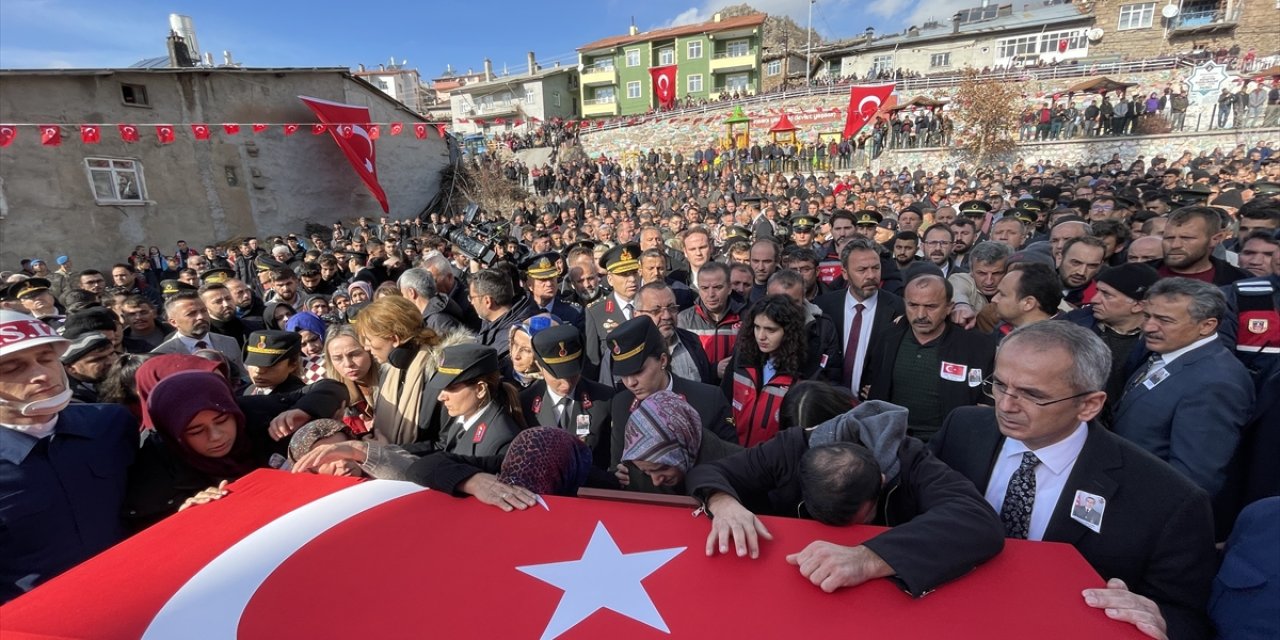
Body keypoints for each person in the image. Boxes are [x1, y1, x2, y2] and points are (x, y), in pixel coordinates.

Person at [929, 321, 1217, 640]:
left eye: (1032, 395)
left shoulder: (1168, 500)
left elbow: (1186, 618)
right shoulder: (962, 429)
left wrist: (1154, 619)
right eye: (998, 385)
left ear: (1089, 404)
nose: (1006, 405)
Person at [686, 398, 1005, 597]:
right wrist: (722, 502)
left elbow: (978, 520)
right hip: (797, 585)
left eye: (863, 520)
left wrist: (867, 557)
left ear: (881, 482)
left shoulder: (912, 461)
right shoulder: (788, 449)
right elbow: (710, 471)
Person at [0, 311, 136, 603]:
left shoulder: (111, 424)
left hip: (136, 596)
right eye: (12, 368)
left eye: (46, 359)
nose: (41, 374)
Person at [1112, 278, 1254, 497]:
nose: (1148, 327)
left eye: (1165, 320)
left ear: (1207, 325)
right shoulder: (1160, 351)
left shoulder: (1217, 383)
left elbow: (1194, 477)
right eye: (1148, 316)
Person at [124, 371, 273, 530]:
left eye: (222, 420)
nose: (215, 436)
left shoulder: (268, 431)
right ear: (173, 435)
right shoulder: (154, 489)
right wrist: (184, 519)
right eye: (196, 431)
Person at [865, 274, 996, 442]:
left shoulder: (977, 346)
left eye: (931, 306)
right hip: (892, 440)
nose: (920, 314)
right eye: (913, 305)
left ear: (949, 307)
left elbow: (986, 401)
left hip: (949, 445)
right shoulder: (887, 337)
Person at [605, 316, 737, 466]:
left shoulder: (709, 399)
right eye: (624, 374)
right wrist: (621, 474)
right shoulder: (621, 404)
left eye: (638, 371)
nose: (631, 382)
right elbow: (617, 463)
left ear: (662, 360)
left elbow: (731, 463)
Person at [354, 296, 465, 447]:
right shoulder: (389, 369)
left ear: (394, 339)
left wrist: (392, 451)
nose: (366, 347)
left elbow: (448, 443)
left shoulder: (443, 374)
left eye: (369, 339)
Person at [815, 237, 905, 399]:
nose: (871, 275)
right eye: (862, 270)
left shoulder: (898, 308)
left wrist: (883, 388)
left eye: (876, 268)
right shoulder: (824, 306)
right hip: (827, 403)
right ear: (845, 273)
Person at [519, 324, 614, 468]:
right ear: (539, 366)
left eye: (571, 373)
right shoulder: (523, 404)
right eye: (558, 375)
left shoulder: (605, 399)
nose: (566, 384)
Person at [617, 390, 741, 494]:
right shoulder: (633, 471)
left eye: (663, 467)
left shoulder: (739, 469)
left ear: (684, 444)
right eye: (646, 472)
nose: (656, 481)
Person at [722, 295, 807, 446]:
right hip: (733, 453)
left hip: (770, 461)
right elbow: (723, 405)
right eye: (757, 327)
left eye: (770, 330)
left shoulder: (800, 373)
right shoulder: (741, 358)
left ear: (788, 333)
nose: (761, 336)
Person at [433, 344, 523, 457]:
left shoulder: (501, 440)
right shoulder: (464, 416)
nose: (441, 397)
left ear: (480, 389)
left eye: (451, 388)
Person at [150, 292, 246, 380]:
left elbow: (243, 378)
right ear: (173, 322)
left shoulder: (229, 342)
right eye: (191, 314)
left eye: (204, 311)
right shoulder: (162, 354)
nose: (201, 317)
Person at [677, 262, 744, 384]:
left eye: (717, 287)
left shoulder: (745, 317)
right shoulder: (684, 320)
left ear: (729, 288)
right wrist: (713, 370)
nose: (711, 294)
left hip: (736, 392)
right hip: (699, 392)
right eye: (704, 288)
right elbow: (680, 367)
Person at [584, 243, 643, 379]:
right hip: (616, 387)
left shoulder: (650, 305)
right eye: (624, 275)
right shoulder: (596, 312)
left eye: (634, 273)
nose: (632, 279)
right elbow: (593, 362)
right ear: (610, 279)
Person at [322, 324, 377, 435]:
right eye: (338, 358)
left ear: (369, 350)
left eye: (354, 354)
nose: (348, 364)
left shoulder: (394, 381)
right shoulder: (334, 398)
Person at [243, 330, 306, 397]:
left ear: (293, 365)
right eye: (253, 363)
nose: (259, 371)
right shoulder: (250, 390)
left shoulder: (301, 397)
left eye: (270, 365)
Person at [60, 332, 115, 403]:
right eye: (98, 359)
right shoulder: (70, 401)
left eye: (112, 354)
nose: (111, 362)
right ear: (71, 368)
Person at [285, 312, 328, 385]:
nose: (311, 348)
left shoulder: (340, 355)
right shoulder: (293, 369)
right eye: (303, 344)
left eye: (314, 339)